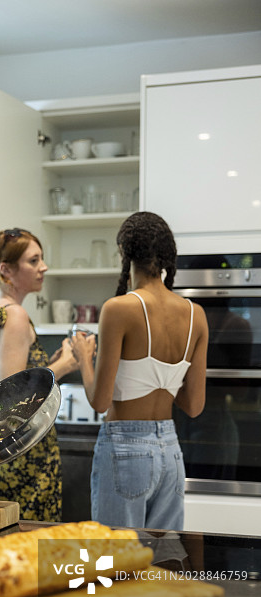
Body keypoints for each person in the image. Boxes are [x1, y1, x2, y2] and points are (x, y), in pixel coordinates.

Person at [70, 211, 209, 530]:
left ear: (124, 252)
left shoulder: (119, 308)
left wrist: (83, 358)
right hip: (170, 453)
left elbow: (100, 402)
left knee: (117, 566)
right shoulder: (195, 314)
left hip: (125, 448)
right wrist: (164, 380)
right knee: (162, 566)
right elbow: (193, 405)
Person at [0, 227, 78, 522]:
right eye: (34, 261)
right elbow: (12, 396)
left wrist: (47, 366)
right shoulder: (14, 315)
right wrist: (65, 364)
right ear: (6, 270)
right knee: (29, 546)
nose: (44, 267)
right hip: (21, 454)